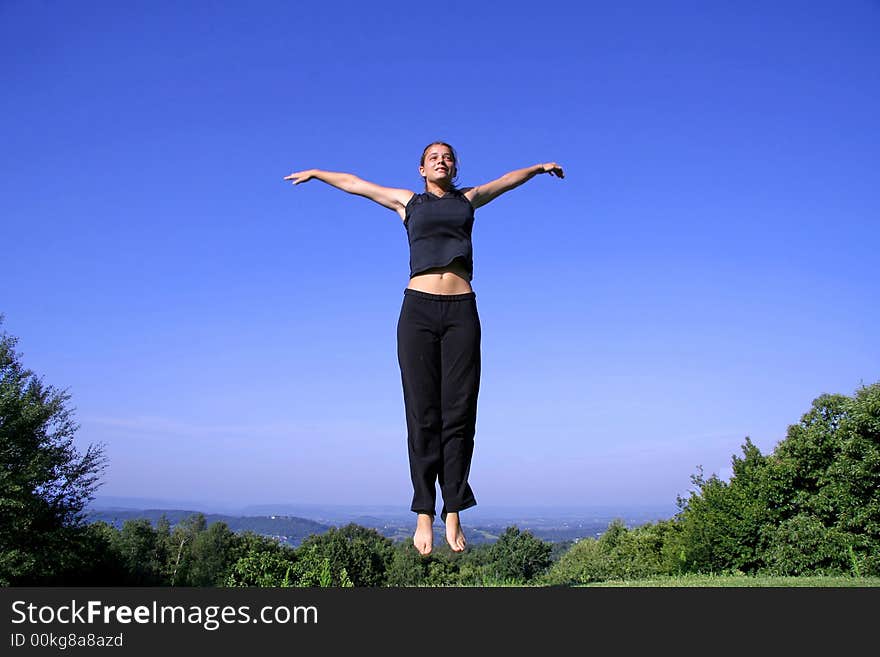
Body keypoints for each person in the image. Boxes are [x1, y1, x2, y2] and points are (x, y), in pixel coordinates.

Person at [284, 142, 564, 555]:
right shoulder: (406, 203)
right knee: (422, 413)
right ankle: (423, 513)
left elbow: (505, 182)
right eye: (434, 156)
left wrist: (538, 168)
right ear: (421, 168)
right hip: (417, 311)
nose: (441, 160)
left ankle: (454, 508)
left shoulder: (467, 200)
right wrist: (318, 173)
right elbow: (357, 184)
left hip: (461, 310)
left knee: (460, 411)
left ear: (454, 167)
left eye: (448, 157)